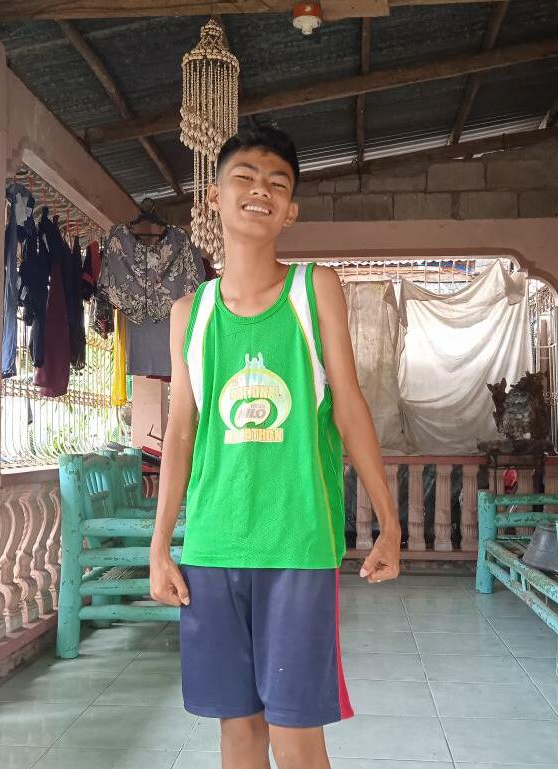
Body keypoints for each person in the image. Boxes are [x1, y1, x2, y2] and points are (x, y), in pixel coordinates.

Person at [149, 126, 401, 769]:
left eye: (277, 183)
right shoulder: (189, 313)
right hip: (211, 547)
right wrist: (161, 546)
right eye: (244, 177)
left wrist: (389, 521)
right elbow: (179, 433)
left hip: (298, 544)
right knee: (238, 732)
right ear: (214, 196)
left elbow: (349, 406)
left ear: (290, 210)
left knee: (296, 736)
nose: (259, 189)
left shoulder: (314, 290)